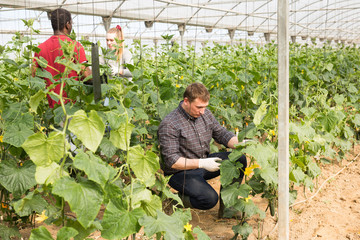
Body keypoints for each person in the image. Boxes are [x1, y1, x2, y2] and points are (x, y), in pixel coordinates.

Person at [158, 82, 247, 218]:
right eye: (199, 107)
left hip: (204, 164)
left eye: (205, 107)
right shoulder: (170, 124)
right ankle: (173, 201)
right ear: (186, 101)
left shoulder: (205, 115)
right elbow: (172, 161)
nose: (202, 111)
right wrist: (202, 163)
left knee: (238, 159)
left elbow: (221, 134)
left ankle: (228, 208)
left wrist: (240, 144)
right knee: (209, 199)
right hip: (180, 173)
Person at [31, 8, 92, 108]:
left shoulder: (40, 49)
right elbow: (86, 75)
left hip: (52, 105)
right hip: (72, 106)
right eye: (71, 23)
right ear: (67, 25)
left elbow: (34, 76)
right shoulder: (75, 46)